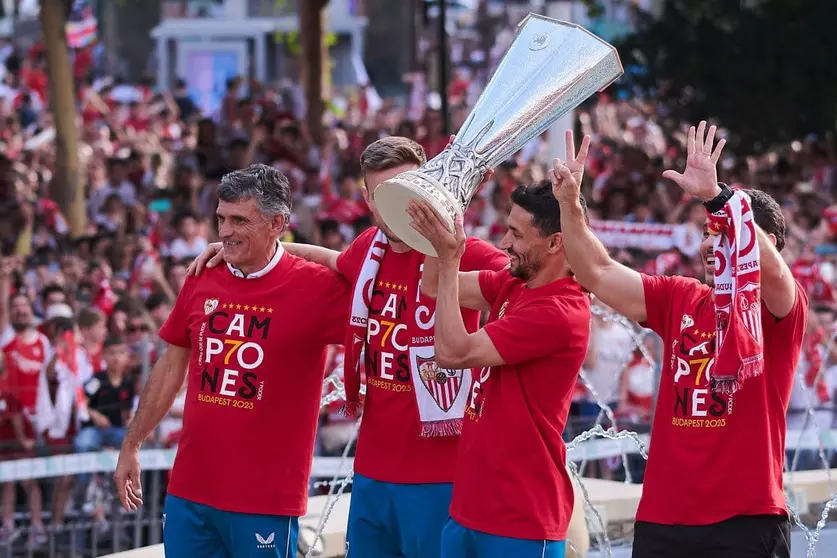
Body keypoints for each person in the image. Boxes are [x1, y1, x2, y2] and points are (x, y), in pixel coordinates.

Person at [189, 136, 509, 558]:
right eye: (385, 195)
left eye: (409, 190)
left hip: (441, 472)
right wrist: (246, 250)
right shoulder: (368, 250)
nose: (399, 207)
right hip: (372, 471)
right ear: (368, 200)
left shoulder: (462, 252)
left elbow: (528, 283)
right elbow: (329, 259)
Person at [551, 123, 806, 558]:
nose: (710, 244)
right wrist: (570, 205)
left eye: (723, 233)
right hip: (663, 521)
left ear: (764, 243)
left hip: (747, 519)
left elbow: (777, 276)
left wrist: (720, 200)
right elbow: (598, 272)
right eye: (707, 232)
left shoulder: (779, 308)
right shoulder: (680, 297)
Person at [113, 164, 351, 558]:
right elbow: (171, 366)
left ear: (277, 223)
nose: (224, 232)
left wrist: (297, 250)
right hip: (190, 493)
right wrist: (132, 444)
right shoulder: (202, 274)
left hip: (265, 501)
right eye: (221, 219)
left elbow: (378, 279)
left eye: (239, 221)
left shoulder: (317, 286)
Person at [408, 179, 592, 558]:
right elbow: (432, 285)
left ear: (555, 243)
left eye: (516, 234)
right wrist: (440, 218)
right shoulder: (516, 284)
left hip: (520, 521)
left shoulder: (560, 311)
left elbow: (452, 353)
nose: (504, 243)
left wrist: (450, 259)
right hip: (469, 511)